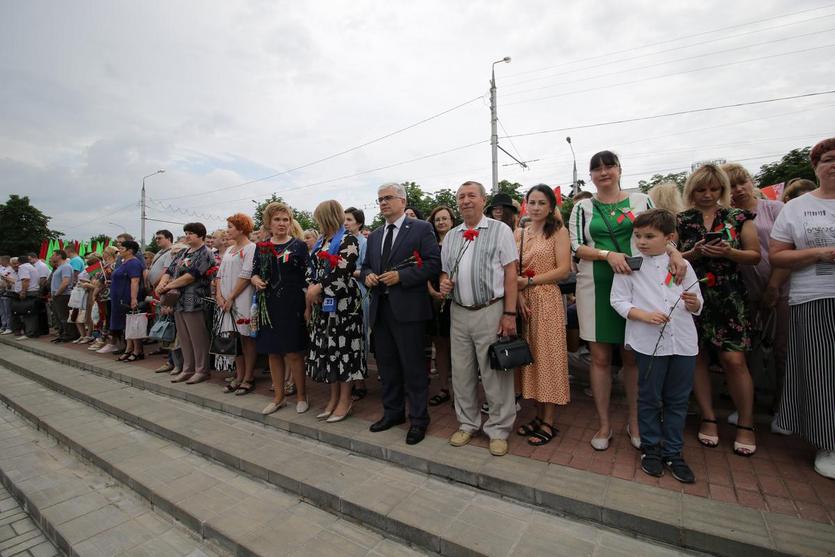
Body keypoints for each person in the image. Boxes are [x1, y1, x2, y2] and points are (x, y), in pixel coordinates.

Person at [569, 150, 687, 451]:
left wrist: (674, 253)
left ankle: (635, 421)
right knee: (599, 357)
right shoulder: (582, 206)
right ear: (591, 175)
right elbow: (577, 246)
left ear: (620, 170)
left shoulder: (641, 200)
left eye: (609, 166)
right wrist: (608, 255)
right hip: (595, 284)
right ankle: (604, 424)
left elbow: (661, 233)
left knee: (634, 356)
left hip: (639, 283)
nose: (603, 172)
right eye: (596, 168)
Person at [611, 209, 703, 483]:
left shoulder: (682, 266)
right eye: (637, 236)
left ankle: (674, 451)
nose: (641, 241)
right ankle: (651, 448)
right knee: (649, 397)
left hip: (683, 342)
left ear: (669, 238)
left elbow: (697, 299)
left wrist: (694, 303)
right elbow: (618, 301)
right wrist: (644, 315)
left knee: (678, 399)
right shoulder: (630, 265)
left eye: (649, 236)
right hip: (648, 343)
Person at [678, 164, 761, 456]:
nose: (707, 195)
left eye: (713, 189)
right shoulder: (682, 220)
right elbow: (671, 256)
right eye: (701, 189)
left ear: (722, 190)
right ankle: (708, 416)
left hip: (729, 294)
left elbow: (754, 255)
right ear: (692, 191)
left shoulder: (738, 217)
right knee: (696, 357)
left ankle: (746, 424)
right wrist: (694, 253)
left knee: (734, 359)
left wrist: (729, 252)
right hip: (693, 292)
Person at [769, 137, 835, 479]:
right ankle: (828, 442)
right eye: (828, 159)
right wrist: (821, 254)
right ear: (816, 167)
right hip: (815, 295)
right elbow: (777, 256)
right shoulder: (796, 207)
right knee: (822, 371)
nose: (833, 164)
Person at [439, 181, 518, 457]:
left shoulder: (500, 230)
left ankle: (498, 429)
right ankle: (468, 423)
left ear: (483, 200)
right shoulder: (451, 236)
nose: (465, 201)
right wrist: (444, 282)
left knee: (494, 374)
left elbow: (510, 273)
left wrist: (510, 313)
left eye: (471, 195)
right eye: (461, 196)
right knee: (461, 372)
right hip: (459, 311)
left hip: (491, 309)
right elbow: (444, 272)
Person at [361, 183, 441, 445]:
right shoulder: (374, 236)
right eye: (379, 199)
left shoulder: (420, 228)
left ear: (402, 201)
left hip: (408, 311)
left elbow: (432, 263)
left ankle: (418, 420)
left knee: (414, 368)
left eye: (388, 198)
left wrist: (402, 276)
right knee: (388, 367)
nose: (383, 203)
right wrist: (368, 276)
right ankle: (393, 413)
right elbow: (365, 267)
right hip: (381, 312)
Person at [725, 163, 792, 434]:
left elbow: (789, 248)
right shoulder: (728, 217)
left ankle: (783, 410)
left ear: (752, 182)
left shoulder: (775, 210)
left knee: (783, 351)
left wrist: (774, 286)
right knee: (747, 351)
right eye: (731, 186)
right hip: (745, 294)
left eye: (742, 183)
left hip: (783, 289)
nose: (738, 190)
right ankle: (746, 407)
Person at [514, 185, 572, 446]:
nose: (536, 207)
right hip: (523, 301)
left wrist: (530, 282)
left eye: (541, 203)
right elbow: (512, 270)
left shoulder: (558, 231)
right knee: (530, 360)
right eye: (532, 202)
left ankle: (548, 420)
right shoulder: (521, 233)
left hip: (546, 299)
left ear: (551, 206)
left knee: (548, 359)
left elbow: (563, 270)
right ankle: (537, 415)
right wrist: (518, 295)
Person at [306, 200, 366, 422]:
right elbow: (310, 268)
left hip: (344, 306)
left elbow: (344, 270)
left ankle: (345, 400)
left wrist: (319, 287)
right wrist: (313, 288)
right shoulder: (322, 241)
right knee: (328, 351)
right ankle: (332, 398)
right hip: (323, 305)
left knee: (344, 352)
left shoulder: (348, 239)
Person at [251, 203, 310, 414]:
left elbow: (308, 276)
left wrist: (308, 307)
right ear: (269, 222)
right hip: (269, 305)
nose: (282, 223)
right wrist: (256, 280)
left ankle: (302, 396)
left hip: (292, 304)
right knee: (273, 352)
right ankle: (279, 398)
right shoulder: (261, 247)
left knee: (293, 352)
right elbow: (254, 272)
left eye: (285, 219)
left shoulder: (299, 246)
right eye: (277, 220)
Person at [156, 223, 214, 384]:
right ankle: (188, 368)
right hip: (179, 301)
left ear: (201, 235)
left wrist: (168, 286)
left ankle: (202, 370)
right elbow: (169, 270)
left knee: (198, 337)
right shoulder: (183, 252)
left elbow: (191, 275)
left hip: (195, 300)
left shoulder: (206, 253)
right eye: (186, 233)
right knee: (184, 337)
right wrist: (163, 282)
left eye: (191, 233)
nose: (187, 236)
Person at [215, 213, 258, 396]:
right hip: (226, 301)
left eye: (231, 226)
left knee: (246, 338)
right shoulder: (231, 249)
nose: (227, 230)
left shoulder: (251, 248)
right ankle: (239, 375)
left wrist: (231, 297)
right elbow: (219, 275)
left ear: (241, 228)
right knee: (234, 338)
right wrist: (219, 295)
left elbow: (246, 274)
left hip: (241, 299)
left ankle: (248, 377)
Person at [427, 206, 456, 407]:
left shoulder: (460, 241)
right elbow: (425, 270)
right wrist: (431, 291)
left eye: (445, 218)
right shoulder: (429, 245)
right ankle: (444, 388)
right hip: (435, 299)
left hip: (457, 299)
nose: (441, 222)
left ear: (452, 221)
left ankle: (463, 393)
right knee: (441, 346)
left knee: (460, 348)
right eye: (438, 219)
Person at [344, 207, 370, 402]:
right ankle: (348, 378)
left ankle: (360, 381)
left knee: (359, 337)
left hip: (359, 293)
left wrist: (346, 270)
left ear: (359, 223)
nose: (345, 223)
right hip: (342, 294)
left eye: (349, 220)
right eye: (344, 220)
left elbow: (367, 271)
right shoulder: (342, 242)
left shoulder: (364, 243)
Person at [108, 240, 145, 361]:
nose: (119, 251)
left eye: (122, 249)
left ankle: (137, 350)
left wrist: (134, 298)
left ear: (130, 251)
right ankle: (129, 348)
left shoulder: (133, 263)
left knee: (132, 323)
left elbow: (135, 281)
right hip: (119, 297)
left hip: (127, 297)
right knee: (126, 324)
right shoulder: (125, 262)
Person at [48, 250, 76, 342]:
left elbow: (65, 282)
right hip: (59, 295)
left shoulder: (66, 267)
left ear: (59, 256)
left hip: (63, 295)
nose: (52, 257)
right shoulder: (61, 267)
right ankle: (64, 333)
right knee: (61, 316)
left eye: (53, 255)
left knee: (65, 316)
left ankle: (69, 334)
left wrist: (57, 293)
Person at [11, 256, 42, 339]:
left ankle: (29, 333)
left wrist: (23, 291)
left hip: (29, 292)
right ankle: (32, 332)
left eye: (17, 263)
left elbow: (26, 280)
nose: (17, 265)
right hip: (34, 291)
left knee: (27, 313)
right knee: (32, 313)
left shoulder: (23, 267)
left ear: (20, 262)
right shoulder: (31, 267)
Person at [0, 256, 13, 334]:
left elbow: (8, 280)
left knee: (7, 311)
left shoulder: (10, 269)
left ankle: (9, 327)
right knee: (2, 311)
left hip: (6, 291)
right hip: (1, 291)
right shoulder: (2, 268)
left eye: (1, 261)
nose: (0, 262)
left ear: (6, 261)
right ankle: (3, 326)